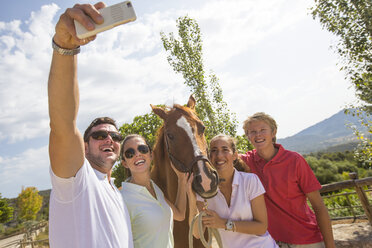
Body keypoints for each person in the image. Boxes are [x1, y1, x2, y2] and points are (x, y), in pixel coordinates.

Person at [48, 2, 133, 247]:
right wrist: (64, 47)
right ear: (84, 147)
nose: (110, 140)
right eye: (99, 136)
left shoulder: (117, 194)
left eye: (116, 137)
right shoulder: (78, 182)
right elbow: (63, 126)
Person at [240, 112, 335, 248]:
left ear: (273, 132)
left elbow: (319, 206)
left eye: (262, 130)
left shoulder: (295, 160)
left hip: (306, 240)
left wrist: (330, 245)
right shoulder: (245, 162)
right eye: (252, 132)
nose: (258, 134)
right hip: (271, 242)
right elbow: (217, 158)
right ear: (247, 136)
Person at [188, 134, 278, 248]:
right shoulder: (205, 190)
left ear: (235, 155)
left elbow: (261, 227)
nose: (219, 155)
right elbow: (197, 233)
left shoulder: (250, 181)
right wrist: (192, 198)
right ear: (209, 157)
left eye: (225, 150)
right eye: (214, 150)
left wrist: (223, 223)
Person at [120, 134, 192, 248]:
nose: (137, 154)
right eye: (130, 153)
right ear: (125, 163)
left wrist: (181, 180)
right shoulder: (122, 198)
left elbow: (179, 214)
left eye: (142, 149)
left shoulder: (155, 187)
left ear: (151, 154)